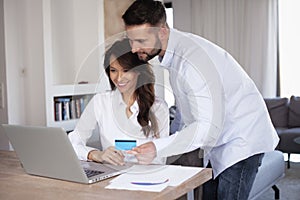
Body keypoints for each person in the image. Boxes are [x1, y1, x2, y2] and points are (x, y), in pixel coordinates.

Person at [122, 1, 279, 199]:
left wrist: (158, 147)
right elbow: (186, 112)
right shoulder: (175, 55)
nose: (134, 49)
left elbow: (207, 128)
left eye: (141, 41)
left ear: (162, 32)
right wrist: (162, 139)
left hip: (240, 138)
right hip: (219, 140)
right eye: (131, 41)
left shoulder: (192, 61)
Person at [68, 38, 169, 165]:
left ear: (138, 71)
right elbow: (72, 143)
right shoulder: (100, 101)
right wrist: (96, 154)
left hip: (145, 178)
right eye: (113, 70)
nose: (119, 78)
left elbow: (162, 157)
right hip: (110, 177)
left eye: (126, 70)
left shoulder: (158, 108)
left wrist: (151, 157)